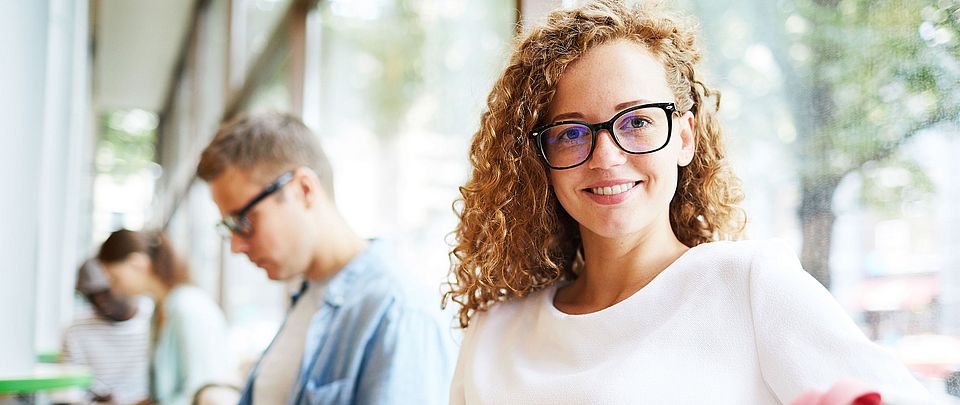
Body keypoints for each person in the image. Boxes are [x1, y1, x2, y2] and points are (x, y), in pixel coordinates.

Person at [444, 1, 932, 403]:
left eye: (636, 121)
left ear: (685, 137)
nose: (607, 157)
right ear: (539, 160)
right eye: (572, 132)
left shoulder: (747, 285)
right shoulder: (494, 335)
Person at [196, 111, 454, 405]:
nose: (236, 246)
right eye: (229, 228)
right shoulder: (311, 296)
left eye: (244, 221)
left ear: (303, 189)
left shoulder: (397, 311)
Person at [98, 229, 233, 405]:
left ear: (137, 263)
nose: (114, 289)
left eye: (115, 277)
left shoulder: (188, 308)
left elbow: (200, 395)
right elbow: (163, 396)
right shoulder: (161, 309)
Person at [61, 259, 151, 404]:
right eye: (91, 295)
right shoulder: (76, 330)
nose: (99, 301)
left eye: (105, 291)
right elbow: (67, 390)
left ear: (123, 283)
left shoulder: (154, 321)